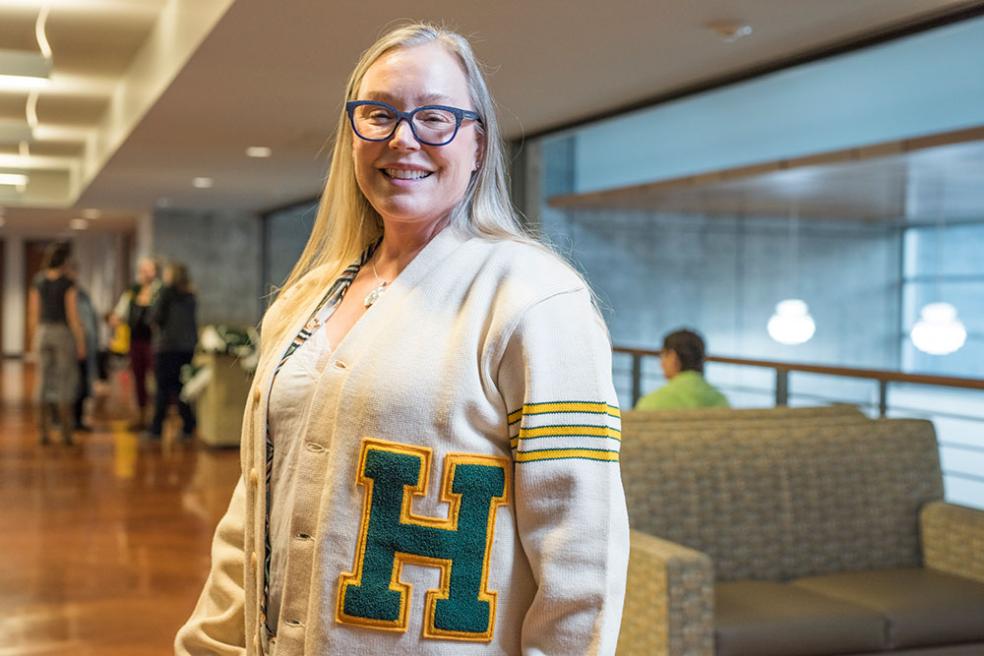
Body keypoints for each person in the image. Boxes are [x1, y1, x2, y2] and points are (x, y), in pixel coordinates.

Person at [176, 23, 628, 656]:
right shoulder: (303, 300)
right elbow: (254, 509)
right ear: (351, 136)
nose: (402, 138)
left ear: (478, 142)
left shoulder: (537, 301)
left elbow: (581, 552)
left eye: (435, 117)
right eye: (377, 114)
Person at [28, 242, 86, 445]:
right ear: (64, 261)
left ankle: (43, 433)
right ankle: (66, 433)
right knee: (64, 380)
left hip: (43, 331)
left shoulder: (39, 280)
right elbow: (72, 316)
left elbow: (33, 313)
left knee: (42, 380)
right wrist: (81, 342)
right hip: (62, 332)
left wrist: (35, 337)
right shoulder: (68, 283)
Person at [146, 261, 198, 440]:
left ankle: (156, 429)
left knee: (162, 388)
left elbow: (155, 317)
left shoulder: (165, 293)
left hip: (167, 346)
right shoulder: (190, 295)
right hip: (187, 347)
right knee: (182, 387)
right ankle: (189, 426)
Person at [111, 257, 160, 429]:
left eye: (150, 269)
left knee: (155, 380)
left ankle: (157, 417)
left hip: (154, 343)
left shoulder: (159, 292)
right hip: (136, 341)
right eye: (143, 270)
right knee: (138, 379)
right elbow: (120, 312)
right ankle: (141, 416)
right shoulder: (132, 292)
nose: (146, 273)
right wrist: (115, 319)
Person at [635, 328, 730, 410]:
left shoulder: (651, 404)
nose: (661, 364)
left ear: (673, 357)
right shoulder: (722, 402)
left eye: (663, 355)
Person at [66, 259, 100, 432]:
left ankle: (79, 419)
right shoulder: (64, 295)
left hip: (86, 345)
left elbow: (92, 320)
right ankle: (65, 420)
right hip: (71, 346)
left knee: (82, 384)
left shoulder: (83, 295)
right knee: (69, 384)